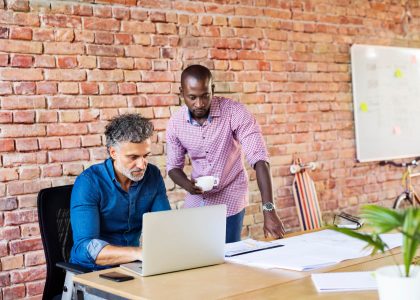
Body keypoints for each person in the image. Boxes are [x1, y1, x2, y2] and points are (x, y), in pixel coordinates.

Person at [166, 64, 285, 243]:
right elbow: (173, 167)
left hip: (230, 197)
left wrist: (269, 209)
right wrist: (187, 185)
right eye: (192, 97)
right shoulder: (175, 123)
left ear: (212, 89)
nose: (199, 104)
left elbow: (259, 159)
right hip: (196, 199)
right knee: (194, 252)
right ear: (182, 92)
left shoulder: (235, 113)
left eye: (205, 96)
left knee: (227, 254)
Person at [70, 114, 170, 269]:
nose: (142, 165)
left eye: (145, 156)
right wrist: (138, 253)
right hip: (92, 273)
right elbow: (84, 248)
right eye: (133, 157)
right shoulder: (89, 182)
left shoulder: (152, 175)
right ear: (113, 153)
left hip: (133, 268)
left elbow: (166, 226)